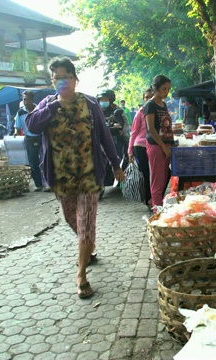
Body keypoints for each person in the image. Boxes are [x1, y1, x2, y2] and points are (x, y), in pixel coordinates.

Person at [26, 57, 124, 299]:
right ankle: (88, 248)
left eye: (66, 77)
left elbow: (104, 136)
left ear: (75, 79)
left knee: (86, 225)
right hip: (62, 179)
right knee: (74, 221)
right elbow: (31, 126)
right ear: (52, 81)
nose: (62, 82)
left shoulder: (89, 104)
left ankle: (81, 274)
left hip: (89, 176)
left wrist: (115, 164)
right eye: (57, 78)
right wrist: (54, 106)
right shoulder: (47, 104)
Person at [144, 75, 174, 209]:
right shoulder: (150, 105)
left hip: (166, 146)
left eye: (168, 89)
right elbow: (151, 129)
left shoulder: (164, 104)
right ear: (155, 88)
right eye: (164, 89)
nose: (166, 92)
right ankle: (158, 212)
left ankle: (159, 207)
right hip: (157, 147)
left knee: (163, 180)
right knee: (157, 181)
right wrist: (164, 147)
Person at [14, 90, 46, 192]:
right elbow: (17, 126)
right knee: (33, 162)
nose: (25, 101)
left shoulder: (39, 109)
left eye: (27, 99)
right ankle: (38, 185)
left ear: (32, 100)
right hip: (29, 139)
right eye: (23, 99)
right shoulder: (20, 112)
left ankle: (47, 184)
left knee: (44, 161)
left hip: (41, 137)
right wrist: (15, 132)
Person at [128, 88, 154, 209]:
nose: (148, 99)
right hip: (140, 146)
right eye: (146, 97)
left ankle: (155, 197)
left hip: (154, 145)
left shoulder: (157, 111)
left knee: (158, 173)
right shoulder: (140, 112)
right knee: (145, 173)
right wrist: (130, 151)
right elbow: (133, 132)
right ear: (143, 99)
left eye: (151, 97)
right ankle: (148, 200)